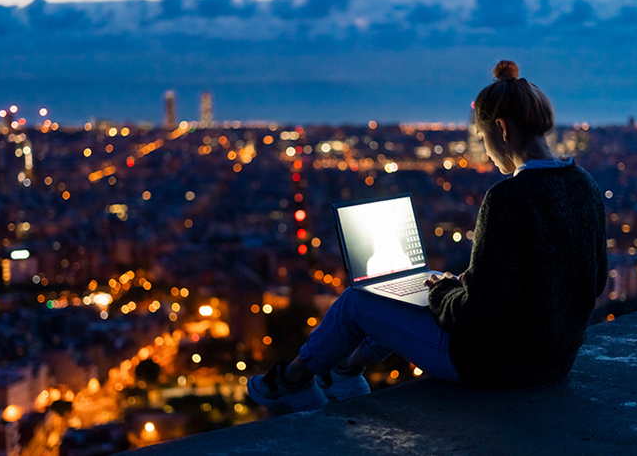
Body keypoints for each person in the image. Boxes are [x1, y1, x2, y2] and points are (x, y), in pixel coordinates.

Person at [247, 60, 608, 412]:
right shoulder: (584, 184)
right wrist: (464, 285)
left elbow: (474, 312)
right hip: (555, 359)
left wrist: (442, 293)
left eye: (482, 138)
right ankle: (344, 373)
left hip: (496, 363)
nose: (485, 151)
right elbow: (594, 280)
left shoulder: (508, 198)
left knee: (359, 301)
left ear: (501, 129)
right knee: (404, 297)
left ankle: (291, 382)